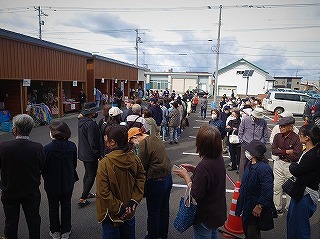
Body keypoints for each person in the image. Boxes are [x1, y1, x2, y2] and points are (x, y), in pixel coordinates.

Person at [174, 125, 227, 239]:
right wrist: (194, 169)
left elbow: (195, 194)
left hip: (205, 216)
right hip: (217, 212)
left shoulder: (204, 166)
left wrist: (186, 176)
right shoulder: (219, 158)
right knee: (213, 235)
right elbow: (211, 177)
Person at [96, 125, 146, 239]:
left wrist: (119, 208)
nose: (105, 140)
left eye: (106, 138)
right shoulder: (134, 157)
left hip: (111, 213)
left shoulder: (105, 163)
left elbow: (103, 191)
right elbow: (141, 177)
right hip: (129, 209)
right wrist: (134, 200)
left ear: (113, 142)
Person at [0, 114, 44, 239]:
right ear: (30, 129)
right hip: (31, 191)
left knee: (11, 221)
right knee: (33, 220)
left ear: (15, 129)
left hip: (9, 191)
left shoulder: (3, 147)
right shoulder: (38, 148)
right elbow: (41, 167)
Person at [128, 127, 172, 239]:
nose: (133, 144)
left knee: (153, 212)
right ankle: (163, 234)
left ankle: (152, 236)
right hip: (167, 177)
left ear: (135, 137)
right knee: (164, 209)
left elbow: (141, 165)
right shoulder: (154, 137)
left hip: (156, 181)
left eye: (131, 141)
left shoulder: (144, 143)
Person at [42, 121, 78, 239]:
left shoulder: (47, 148)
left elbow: (44, 167)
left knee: (53, 206)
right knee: (66, 205)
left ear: (53, 133)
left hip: (52, 181)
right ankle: (66, 230)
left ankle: (55, 230)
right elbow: (74, 164)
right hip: (68, 180)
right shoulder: (72, 146)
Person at [235, 140, 275, 239]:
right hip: (246, 204)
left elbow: (267, 190)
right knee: (246, 228)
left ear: (254, 154)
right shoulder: (249, 163)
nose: (246, 152)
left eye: (248, 150)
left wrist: (259, 205)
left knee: (252, 232)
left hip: (254, 206)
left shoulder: (263, 168)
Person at [287, 124, 320, 239]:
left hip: (304, 195)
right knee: (294, 223)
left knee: (299, 227)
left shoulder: (312, 155)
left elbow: (296, 170)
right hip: (302, 192)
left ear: (307, 138)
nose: (298, 136)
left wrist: (292, 165)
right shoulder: (311, 150)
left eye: (300, 135)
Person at [272, 116, 303, 215]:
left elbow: (296, 156)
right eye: (280, 126)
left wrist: (280, 152)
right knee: (277, 187)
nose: (281, 128)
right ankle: (277, 207)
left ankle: (289, 208)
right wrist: (286, 151)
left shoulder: (296, 138)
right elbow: (273, 150)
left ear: (291, 127)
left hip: (290, 165)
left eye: (283, 126)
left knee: (289, 188)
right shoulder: (277, 136)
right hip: (278, 163)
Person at [78, 102, 103, 207]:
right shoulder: (91, 124)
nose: (96, 112)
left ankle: (86, 193)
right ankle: (83, 198)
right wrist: (98, 154)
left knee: (87, 173)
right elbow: (92, 141)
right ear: (91, 113)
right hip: (90, 154)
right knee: (91, 175)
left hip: (83, 152)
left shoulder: (81, 122)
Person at [238, 107, 269, 179]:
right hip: (246, 143)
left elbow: (265, 134)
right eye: (257, 117)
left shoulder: (263, 121)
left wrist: (263, 143)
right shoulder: (245, 120)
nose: (258, 119)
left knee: (257, 163)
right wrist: (241, 141)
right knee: (244, 162)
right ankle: (242, 179)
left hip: (258, 145)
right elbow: (240, 132)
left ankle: (255, 178)